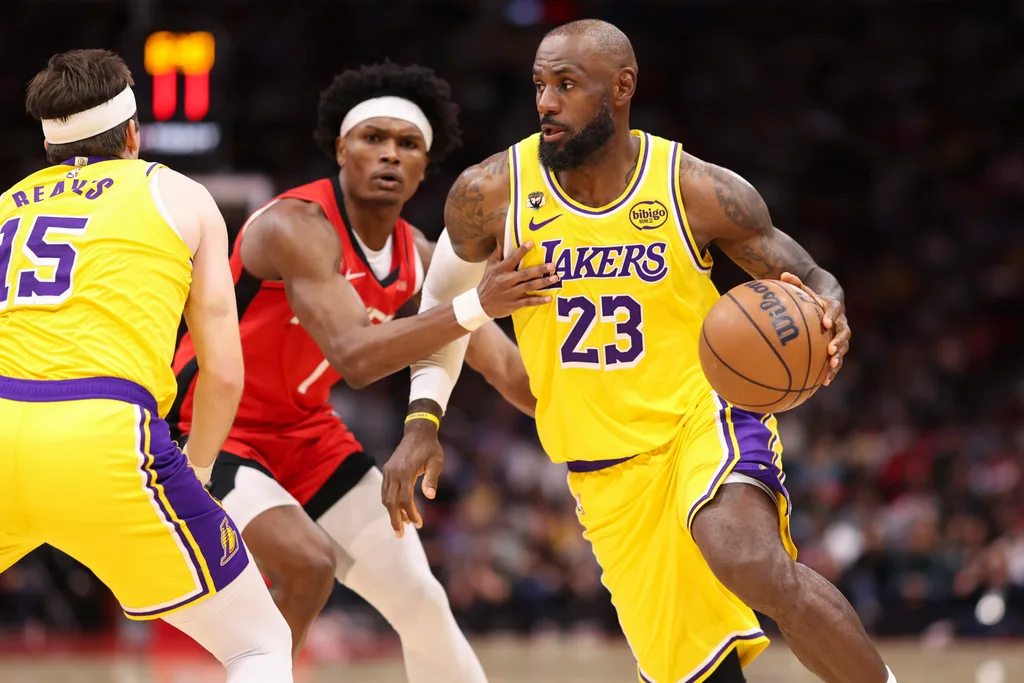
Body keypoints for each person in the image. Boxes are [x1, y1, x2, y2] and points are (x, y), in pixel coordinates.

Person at [382, 20, 898, 683]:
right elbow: (441, 311)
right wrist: (422, 422)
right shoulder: (490, 193)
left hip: (699, 419)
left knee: (749, 559)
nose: (546, 102)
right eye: (540, 85)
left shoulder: (694, 188)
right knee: (699, 674)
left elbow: (810, 275)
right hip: (603, 470)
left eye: (566, 84)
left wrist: (831, 306)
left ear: (622, 87)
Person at [169, 62, 553, 681]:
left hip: (306, 434)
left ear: (427, 166)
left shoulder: (421, 255)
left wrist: (608, 402)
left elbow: (511, 373)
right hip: (208, 430)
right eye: (373, 138)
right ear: (340, 148)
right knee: (307, 565)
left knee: (422, 601)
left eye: (408, 144)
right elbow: (353, 357)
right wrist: (478, 302)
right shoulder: (293, 226)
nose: (389, 155)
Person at [0, 50, 292, 681]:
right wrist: (202, 469)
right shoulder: (179, 194)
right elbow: (222, 371)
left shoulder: (7, 203)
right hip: (103, 435)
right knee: (259, 644)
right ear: (134, 133)